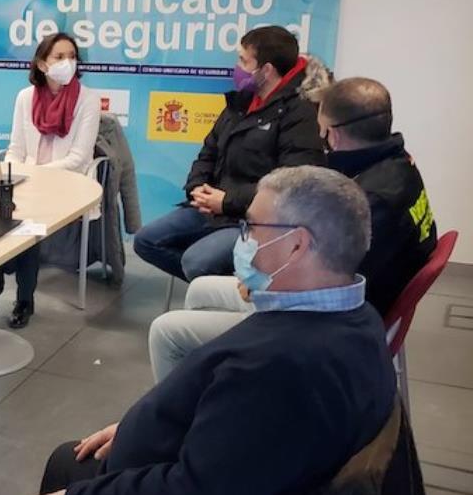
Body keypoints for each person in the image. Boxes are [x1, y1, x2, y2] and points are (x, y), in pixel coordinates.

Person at [0, 166, 396, 495]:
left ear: (296, 245)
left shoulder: (283, 366)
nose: (243, 240)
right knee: (68, 460)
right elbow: (242, 446)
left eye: (252, 228)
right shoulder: (352, 318)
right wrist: (138, 429)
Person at [148, 78, 438, 382]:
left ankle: (187, 406)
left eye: (321, 130)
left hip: (320, 326)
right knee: (199, 289)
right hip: (349, 305)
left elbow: (326, 283)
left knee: (166, 332)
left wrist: (261, 282)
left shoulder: (370, 199)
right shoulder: (400, 168)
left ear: (334, 135)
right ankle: (219, 384)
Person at [133, 26, 326, 282]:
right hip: (213, 209)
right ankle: (228, 288)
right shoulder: (241, 103)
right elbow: (208, 152)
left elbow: (292, 185)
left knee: (195, 262)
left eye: (243, 61)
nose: (237, 67)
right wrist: (197, 189)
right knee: (146, 240)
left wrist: (227, 201)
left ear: (266, 70)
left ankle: (241, 289)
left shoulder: (300, 113)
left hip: (257, 221)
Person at [0, 33, 101, 328]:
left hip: (69, 182)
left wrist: (35, 177)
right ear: (42, 64)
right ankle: (17, 294)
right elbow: (16, 149)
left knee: (26, 219)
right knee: (3, 207)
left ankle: (3, 283)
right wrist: (10, 176)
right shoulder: (25, 97)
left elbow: (78, 159)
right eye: (60, 56)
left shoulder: (88, 100)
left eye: (72, 56)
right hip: (30, 179)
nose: (68, 62)